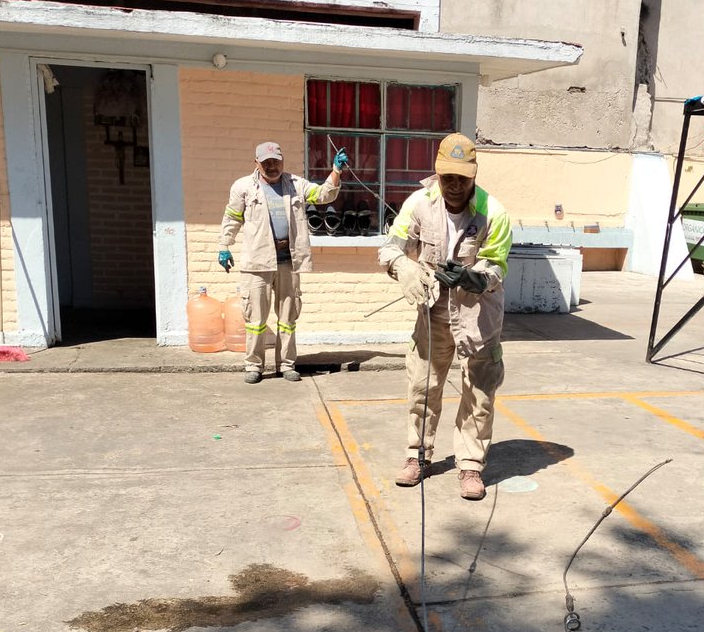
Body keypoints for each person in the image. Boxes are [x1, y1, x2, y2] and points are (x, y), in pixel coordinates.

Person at [378, 133, 512, 501]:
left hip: (478, 315)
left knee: (479, 392)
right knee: (423, 384)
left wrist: (473, 277)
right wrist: (404, 268)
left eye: (462, 178)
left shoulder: (494, 213)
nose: (454, 186)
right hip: (433, 312)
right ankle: (417, 456)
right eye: (446, 177)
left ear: (474, 175)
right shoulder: (420, 203)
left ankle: (470, 464)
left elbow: (497, 266)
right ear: (436, 172)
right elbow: (391, 247)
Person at [219, 142, 348, 384]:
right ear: (256, 163)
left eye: (275, 161)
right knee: (256, 320)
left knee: (288, 318)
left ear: (282, 161)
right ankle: (253, 366)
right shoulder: (244, 187)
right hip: (257, 263)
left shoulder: (296, 185)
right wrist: (224, 245)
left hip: (288, 261)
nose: (271, 166)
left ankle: (286, 364)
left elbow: (324, 195)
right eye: (266, 162)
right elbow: (232, 216)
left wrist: (336, 171)